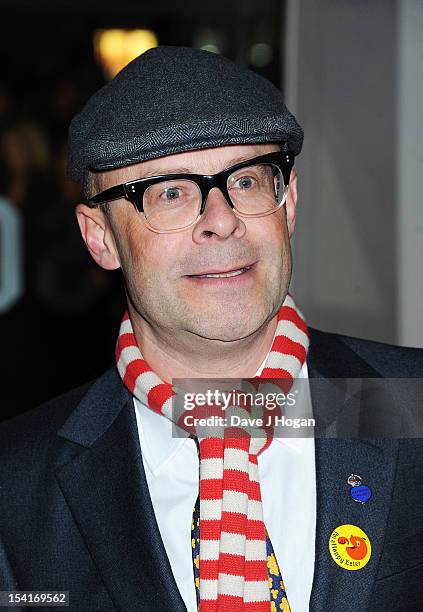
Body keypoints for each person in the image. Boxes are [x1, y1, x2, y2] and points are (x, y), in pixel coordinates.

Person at [0, 46, 422, 612]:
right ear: (100, 237)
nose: (221, 220)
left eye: (246, 181)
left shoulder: (409, 405)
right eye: (170, 192)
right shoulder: (17, 485)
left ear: (288, 204)